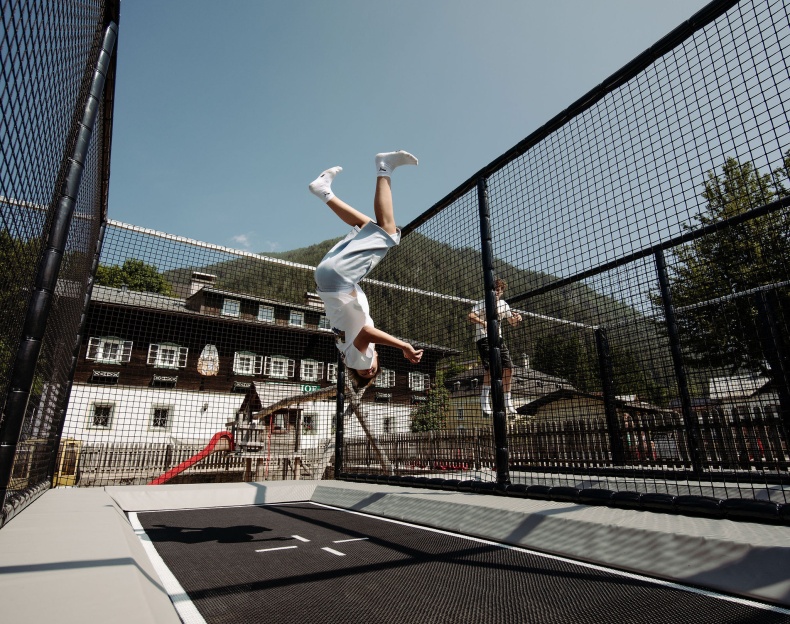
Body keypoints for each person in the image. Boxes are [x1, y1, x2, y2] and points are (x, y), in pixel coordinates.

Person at [310, 150, 424, 389]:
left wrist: (404, 346)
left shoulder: (354, 357)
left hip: (338, 280)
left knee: (390, 232)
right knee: (368, 226)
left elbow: (367, 334)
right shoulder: (349, 352)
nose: (367, 369)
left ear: (354, 370)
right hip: (330, 279)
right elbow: (363, 333)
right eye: (371, 373)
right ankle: (324, 192)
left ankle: (384, 166)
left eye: (363, 373)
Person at [468, 278, 522, 415]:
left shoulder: (504, 305)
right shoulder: (483, 302)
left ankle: (507, 400)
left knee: (509, 367)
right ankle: (484, 399)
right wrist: (484, 323)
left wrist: (517, 319)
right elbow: (470, 316)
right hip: (484, 338)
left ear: (502, 292)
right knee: (492, 368)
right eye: (494, 290)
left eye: (499, 290)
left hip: (498, 339)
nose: (496, 292)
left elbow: (512, 322)